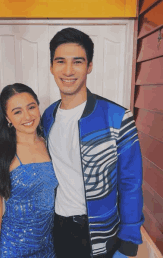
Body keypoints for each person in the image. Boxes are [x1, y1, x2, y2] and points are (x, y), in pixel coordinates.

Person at [41, 28, 144, 258]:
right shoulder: (47, 117)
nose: (68, 70)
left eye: (77, 62)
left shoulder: (117, 118)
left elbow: (131, 182)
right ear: (51, 67)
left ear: (89, 66)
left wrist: (129, 239)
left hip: (100, 232)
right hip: (56, 226)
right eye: (61, 61)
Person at [0, 83, 58, 258]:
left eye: (31, 107)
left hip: (48, 247)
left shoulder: (50, 144)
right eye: (17, 112)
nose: (27, 116)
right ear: (8, 118)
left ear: (38, 107)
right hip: (14, 249)